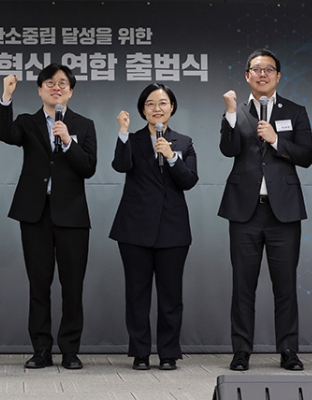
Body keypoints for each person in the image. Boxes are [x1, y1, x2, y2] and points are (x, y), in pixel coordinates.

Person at [0, 64, 97, 370]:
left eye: (63, 83)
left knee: (72, 286)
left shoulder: (84, 124)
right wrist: (6, 97)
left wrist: (67, 141)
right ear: (40, 90)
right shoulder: (27, 122)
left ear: (71, 91)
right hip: (35, 213)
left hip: (72, 216)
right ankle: (41, 349)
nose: (56, 87)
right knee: (39, 285)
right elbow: (6, 134)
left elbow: (88, 168)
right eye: (50, 83)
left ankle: (70, 350)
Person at [219, 48, 312, 371]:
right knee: (243, 285)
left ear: (278, 76)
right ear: (247, 75)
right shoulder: (237, 110)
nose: (262, 74)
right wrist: (230, 113)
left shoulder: (295, 111)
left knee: (285, 286)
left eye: (268, 69)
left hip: (283, 213)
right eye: (256, 69)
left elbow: (306, 155)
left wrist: (275, 140)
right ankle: (241, 351)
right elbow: (227, 149)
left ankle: (288, 350)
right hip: (244, 212)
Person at [109, 83, 198, 371]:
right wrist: (123, 132)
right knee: (137, 293)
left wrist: (171, 157)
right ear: (142, 110)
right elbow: (120, 165)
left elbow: (189, 180)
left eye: (162, 103)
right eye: (150, 104)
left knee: (171, 295)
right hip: (134, 228)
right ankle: (140, 353)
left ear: (172, 107)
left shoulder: (184, 142)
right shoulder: (132, 139)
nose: (157, 108)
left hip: (173, 228)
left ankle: (169, 353)